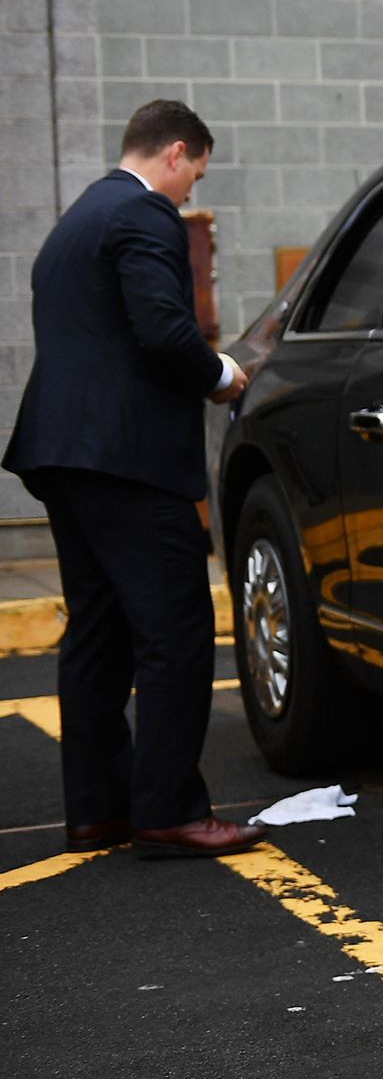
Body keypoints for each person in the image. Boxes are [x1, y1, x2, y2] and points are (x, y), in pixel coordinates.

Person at [2, 99, 268, 858]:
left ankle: (99, 809)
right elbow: (160, 327)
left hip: (64, 454)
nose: (190, 195)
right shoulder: (146, 215)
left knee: (98, 631)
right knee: (177, 627)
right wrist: (219, 373)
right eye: (196, 178)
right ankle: (170, 809)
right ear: (176, 152)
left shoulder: (75, 221)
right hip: (128, 458)